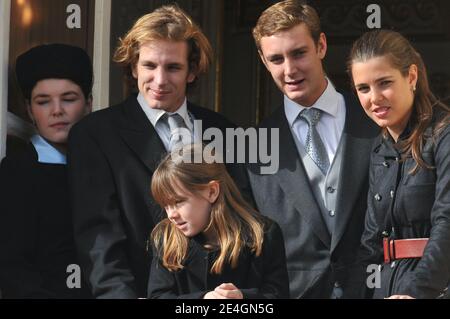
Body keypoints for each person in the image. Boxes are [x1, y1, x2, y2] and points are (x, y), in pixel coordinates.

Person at [68, 4, 252, 298]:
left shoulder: (225, 130)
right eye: (149, 66)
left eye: (173, 67)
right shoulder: (95, 134)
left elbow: (241, 220)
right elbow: (98, 236)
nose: (160, 80)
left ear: (192, 71)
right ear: (132, 66)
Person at [247, 0, 379, 298]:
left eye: (299, 53)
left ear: (321, 45)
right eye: (276, 59)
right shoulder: (252, 147)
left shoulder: (376, 122)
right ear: (263, 61)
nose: (290, 69)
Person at [348, 29, 450, 299]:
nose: (374, 98)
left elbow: (447, 222)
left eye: (384, 83)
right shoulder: (379, 150)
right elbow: (370, 243)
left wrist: (418, 293)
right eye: (363, 88)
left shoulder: (444, 136)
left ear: (412, 76)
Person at [0, 43, 93, 298]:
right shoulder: (16, 173)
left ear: (88, 105)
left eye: (68, 99)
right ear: (30, 110)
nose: (56, 111)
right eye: (43, 101)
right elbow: (12, 267)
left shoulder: (106, 167)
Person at [147, 144, 289, 299]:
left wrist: (242, 298)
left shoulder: (263, 235)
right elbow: (158, 295)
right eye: (166, 206)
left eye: (178, 201)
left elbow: (277, 294)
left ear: (212, 191)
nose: (171, 215)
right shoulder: (166, 238)